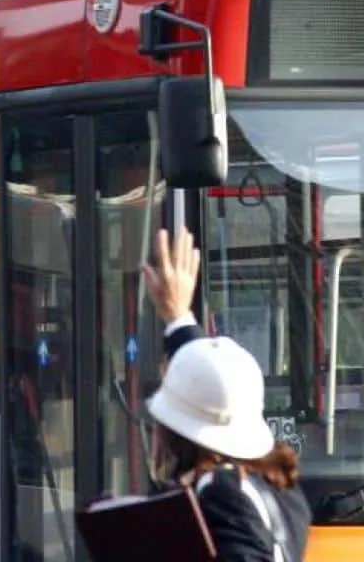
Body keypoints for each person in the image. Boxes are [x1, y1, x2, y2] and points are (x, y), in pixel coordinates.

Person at [142, 227, 311, 562]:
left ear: (178, 432)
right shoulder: (278, 488)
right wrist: (178, 319)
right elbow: (217, 389)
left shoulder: (221, 492)